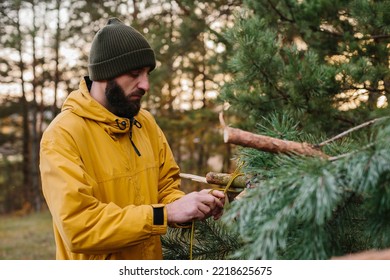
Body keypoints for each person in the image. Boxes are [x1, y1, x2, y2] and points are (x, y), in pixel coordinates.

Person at [39, 17, 225, 260]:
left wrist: (191, 205)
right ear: (105, 73)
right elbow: (78, 227)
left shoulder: (144, 123)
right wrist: (164, 214)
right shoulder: (62, 136)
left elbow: (166, 188)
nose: (146, 85)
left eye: (147, 73)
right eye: (135, 73)